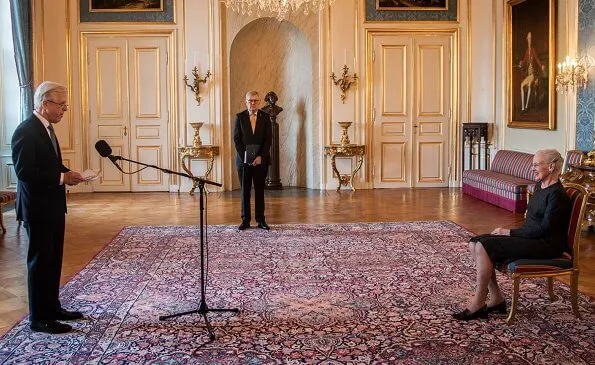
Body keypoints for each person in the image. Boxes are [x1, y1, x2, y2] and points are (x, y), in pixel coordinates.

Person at [453, 149, 570, 321]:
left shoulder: (557, 195)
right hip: (531, 237)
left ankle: (478, 301)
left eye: (536, 165)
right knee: (474, 243)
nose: (532, 168)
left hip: (545, 245)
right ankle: (496, 298)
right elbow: (531, 222)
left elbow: (544, 229)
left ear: (552, 166)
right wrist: (512, 234)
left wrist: (509, 233)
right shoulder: (539, 186)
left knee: (483, 245)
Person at [12, 81, 86, 334]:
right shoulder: (26, 130)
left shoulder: (47, 129)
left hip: (53, 205)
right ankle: (39, 318)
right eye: (61, 105)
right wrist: (61, 178)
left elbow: (49, 164)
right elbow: (25, 173)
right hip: (37, 207)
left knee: (53, 260)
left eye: (66, 105)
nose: (64, 110)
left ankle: (53, 308)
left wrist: (68, 173)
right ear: (45, 104)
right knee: (40, 262)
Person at [233, 91, 272, 231]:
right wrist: (245, 156)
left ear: (259, 101)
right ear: (246, 102)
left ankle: (261, 220)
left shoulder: (266, 117)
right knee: (245, 191)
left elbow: (268, 139)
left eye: (255, 100)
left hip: (261, 161)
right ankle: (245, 220)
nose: (253, 103)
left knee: (260, 190)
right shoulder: (240, 117)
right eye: (250, 101)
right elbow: (236, 139)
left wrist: (261, 156)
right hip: (243, 162)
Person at [518, 32, 545, 112]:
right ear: (527, 39)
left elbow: (537, 59)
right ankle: (523, 107)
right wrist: (521, 63)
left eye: (530, 38)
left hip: (533, 74)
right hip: (528, 74)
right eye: (528, 38)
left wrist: (541, 66)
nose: (529, 39)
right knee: (521, 85)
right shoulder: (527, 51)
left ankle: (526, 106)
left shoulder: (533, 50)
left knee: (529, 85)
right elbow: (524, 61)